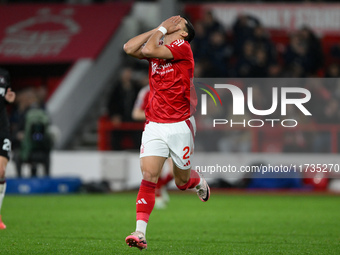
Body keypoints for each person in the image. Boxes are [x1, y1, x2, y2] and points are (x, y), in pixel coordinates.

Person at [123, 15, 210, 250]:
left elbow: (149, 48)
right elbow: (129, 47)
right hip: (154, 123)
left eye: (179, 23)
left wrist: (162, 29)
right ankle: (139, 233)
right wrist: (158, 29)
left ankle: (197, 180)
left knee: (182, 182)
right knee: (149, 176)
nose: (174, 20)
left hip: (180, 124)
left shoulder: (183, 47)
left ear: (183, 33)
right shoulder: (159, 42)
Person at [132, 84, 174, 209]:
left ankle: (160, 188)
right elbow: (136, 114)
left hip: (172, 134)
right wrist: (155, 113)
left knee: (175, 172)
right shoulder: (146, 92)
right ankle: (157, 194)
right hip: (154, 135)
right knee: (155, 171)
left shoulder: (173, 89)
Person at [0, 68, 16, 229]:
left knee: (1, 171)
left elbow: (4, 97)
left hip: (2, 127)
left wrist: (8, 100)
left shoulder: (4, 75)